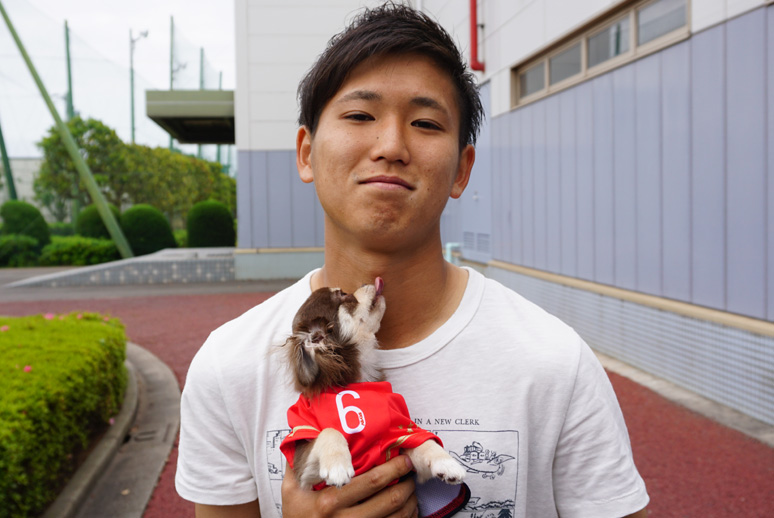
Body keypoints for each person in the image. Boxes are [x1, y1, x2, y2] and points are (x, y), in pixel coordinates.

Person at [175, 3, 650, 517]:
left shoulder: (554, 364)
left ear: (462, 170)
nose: (391, 146)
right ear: (306, 153)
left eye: (425, 122)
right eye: (360, 115)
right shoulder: (230, 367)